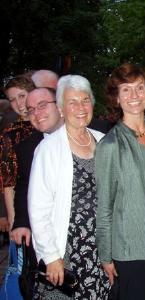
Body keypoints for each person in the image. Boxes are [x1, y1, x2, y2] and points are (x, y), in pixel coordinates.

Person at [28, 75, 109, 299]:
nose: (80, 107)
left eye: (85, 100)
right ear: (62, 109)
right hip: (67, 252)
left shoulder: (103, 141)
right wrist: (51, 257)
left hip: (100, 252)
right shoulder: (49, 148)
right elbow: (38, 208)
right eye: (72, 102)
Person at [95, 63, 145, 300]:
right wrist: (105, 256)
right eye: (125, 90)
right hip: (130, 245)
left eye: (139, 88)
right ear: (116, 98)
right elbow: (104, 206)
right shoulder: (110, 145)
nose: (134, 95)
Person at [10, 88, 63, 280]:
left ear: (59, 105)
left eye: (42, 106)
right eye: (31, 109)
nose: (36, 114)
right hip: (48, 233)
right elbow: (24, 186)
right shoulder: (27, 147)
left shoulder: (90, 134)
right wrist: (21, 222)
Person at [1, 76, 35, 232]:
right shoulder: (10, 133)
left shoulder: (52, 122)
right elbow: (8, 182)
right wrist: (13, 220)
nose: (19, 103)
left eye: (22, 96)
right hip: (27, 206)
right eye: (12, 99)